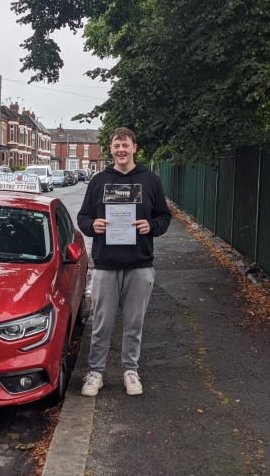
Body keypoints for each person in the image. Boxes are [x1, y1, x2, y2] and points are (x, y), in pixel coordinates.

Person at [77, 127, 172, 397]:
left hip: (140, 264)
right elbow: (83, 217)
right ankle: (95, 373)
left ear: (134, 148)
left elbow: (164, 218)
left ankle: (131, 370)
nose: (121, 149)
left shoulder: (150, 180)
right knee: (101, 322)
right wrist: (92, 225)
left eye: (125, 145)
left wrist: (150, 225)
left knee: (134, 323)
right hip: (106, 264)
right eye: (116, 145)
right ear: (111, 149)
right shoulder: (98, 181)